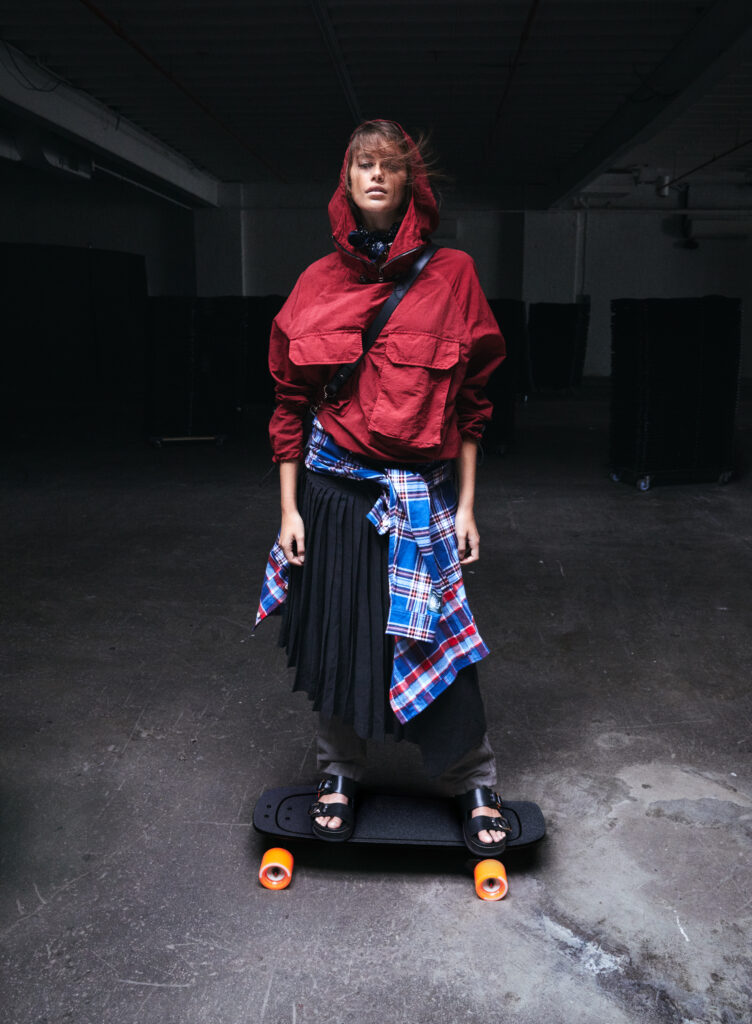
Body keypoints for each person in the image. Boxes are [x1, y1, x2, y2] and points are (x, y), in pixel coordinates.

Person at [256, 119, 509, 854]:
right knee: (339, 632)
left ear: (409, 184)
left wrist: (466, 507)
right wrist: (288, 511)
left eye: (388, 166)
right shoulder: (316, 283)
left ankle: (472, 779)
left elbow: (472, 405)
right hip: (332, 494)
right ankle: (339, 772)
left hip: (418, 494)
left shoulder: (453, 274)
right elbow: (290, 406)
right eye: (362, 165)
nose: (374, 175)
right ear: (346, 181)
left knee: (438, 641)